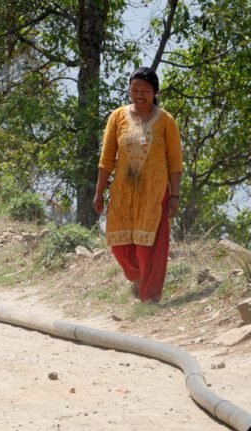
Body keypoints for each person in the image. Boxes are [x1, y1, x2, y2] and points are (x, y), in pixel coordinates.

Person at [92, 67, 183, 303]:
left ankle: (149, 299)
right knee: (120, 246)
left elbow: (174, 162)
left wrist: (175, 195)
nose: (139, 95)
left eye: (145, 90)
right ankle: (139, 281)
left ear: (155, 92)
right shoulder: (117, 117)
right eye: (134, 90)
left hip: (154, 194)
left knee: (148, 248)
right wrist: (99, 191)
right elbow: (106, 158)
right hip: (122, 192)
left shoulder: (166, 121)